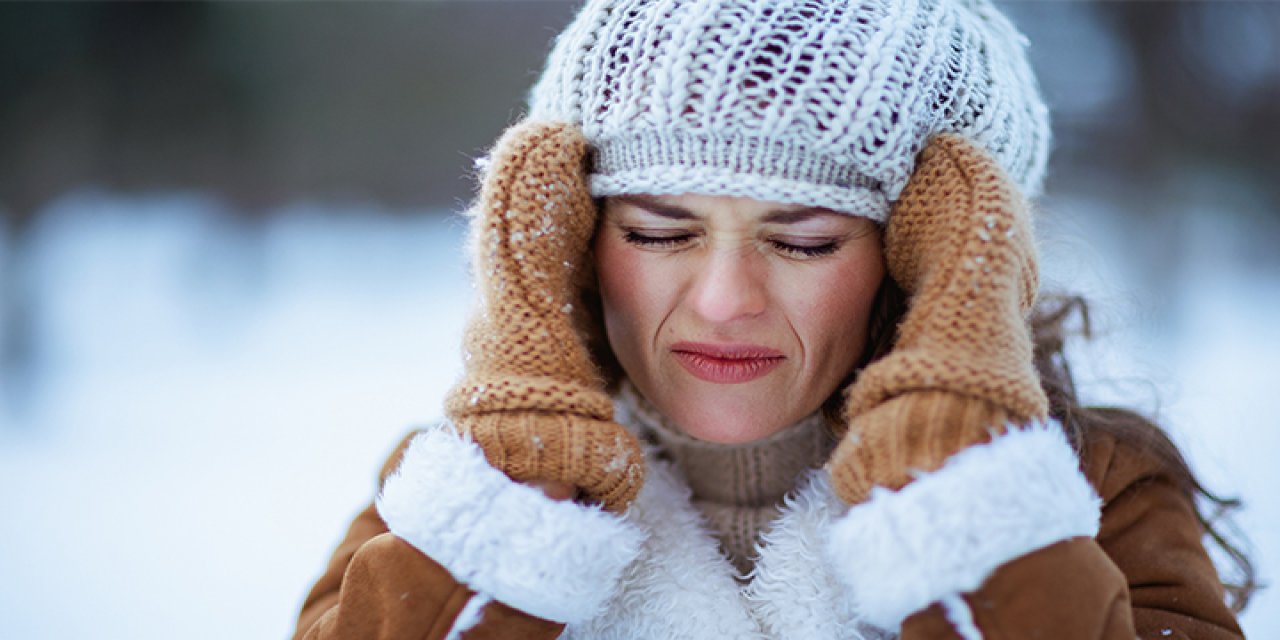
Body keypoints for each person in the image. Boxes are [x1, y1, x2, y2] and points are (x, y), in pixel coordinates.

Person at [293, 0, 1251, 638]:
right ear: (575, 235)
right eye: (660, 230)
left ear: (938, 254)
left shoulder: (1093, 499)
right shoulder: (455, 500)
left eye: (804, 242)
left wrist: (957, 470)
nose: (722, 300)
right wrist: (520, 501)